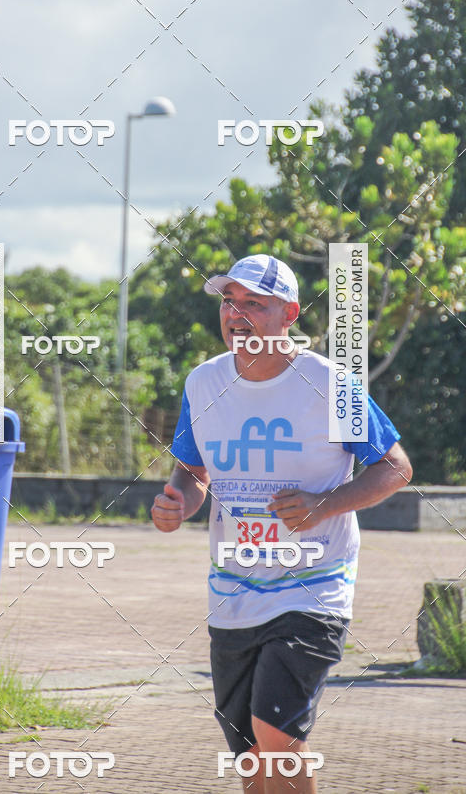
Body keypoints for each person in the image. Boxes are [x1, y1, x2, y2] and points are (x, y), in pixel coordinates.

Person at [151, 253, 412, 794]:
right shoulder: (203, 384)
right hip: (232, 594)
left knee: (276, 733)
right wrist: (177, 501)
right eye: (229, 301)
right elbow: (193, 473)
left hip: (313, 588)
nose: (235, 313)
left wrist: (323, 505)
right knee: (249, 752)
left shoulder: (331, 384)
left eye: (253, 303)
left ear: (289, 313)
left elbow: (395, 468)